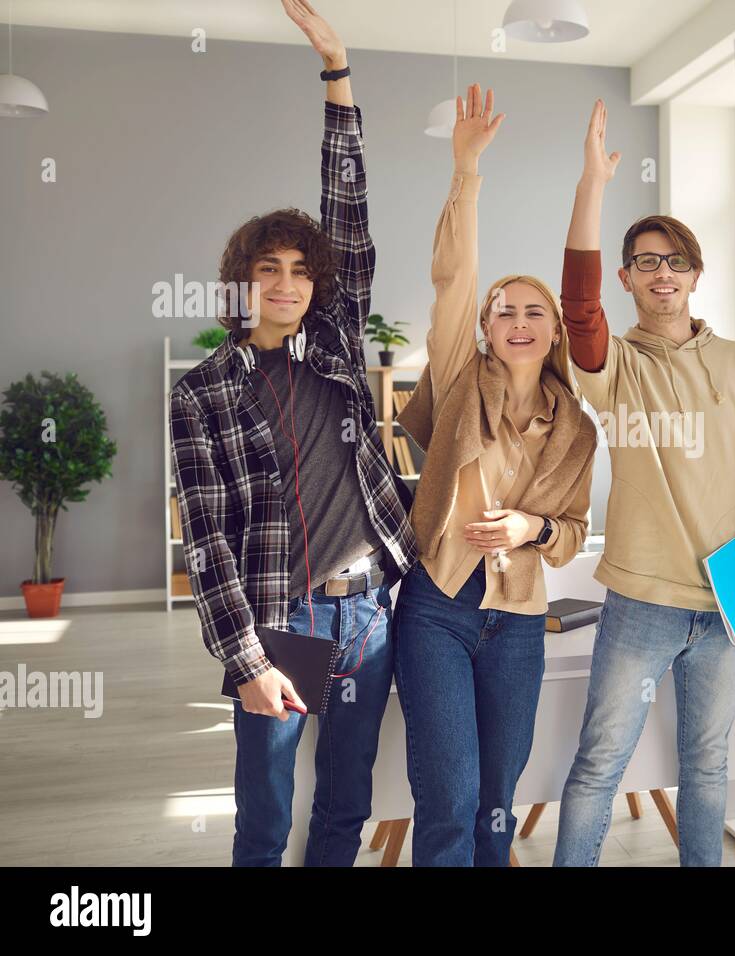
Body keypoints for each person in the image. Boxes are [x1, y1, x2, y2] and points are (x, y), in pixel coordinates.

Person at [168, 0, 418, 866]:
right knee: (266, 814)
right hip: (284, 619)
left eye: (302, 271)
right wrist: (245, 660)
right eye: (269, 270)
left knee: (346, 802)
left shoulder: (339, 346)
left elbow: (346, 209)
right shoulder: (202, 393)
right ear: (243, 283)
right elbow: (207, 548)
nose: (288, 283)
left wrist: (337, 70)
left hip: (370, 613)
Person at [552, 99, 735, 867]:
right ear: (627, 277)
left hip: (725, 605)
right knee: (599, 762)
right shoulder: (615, 365)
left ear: (695, 273)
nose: (663, 272)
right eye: (647, 261)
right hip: (641, 603)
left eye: (675, 260)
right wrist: (592, 183)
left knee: (708, 767)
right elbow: (577, 308)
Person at [391, 84, 598, 867]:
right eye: (503, 310)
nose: (517, 321)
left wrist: (530, 528)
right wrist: (466, 173)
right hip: (438, 606)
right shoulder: (455, 381)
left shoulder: (574, 426)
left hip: (517, 619)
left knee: (499, 806)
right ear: (485, 327)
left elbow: (572, 533)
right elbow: (455, 275)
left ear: (553, 334)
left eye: (533, 312)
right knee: (447, 797)